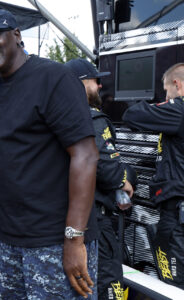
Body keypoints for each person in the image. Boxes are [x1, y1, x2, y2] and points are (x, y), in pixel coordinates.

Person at [0, 9, 99, 299]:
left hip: (55, 240)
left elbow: (86, 156)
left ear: (16, 35)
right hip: (10, 239)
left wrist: (75, 239)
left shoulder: (55, 78)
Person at [66, 58, 135, 299]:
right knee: (109, 284)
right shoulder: (92, 119)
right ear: (81, 84)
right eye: (96, 81)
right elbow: (106, 168)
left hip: (67, 225)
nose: (100, 86)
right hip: (94, 222)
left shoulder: (56, 117)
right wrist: (124, 180)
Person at [122, 62, 184, 289]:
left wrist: (170, 102)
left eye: (167, 92)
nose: (166, 98)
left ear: (177, 85)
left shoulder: (178, 110)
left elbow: (131, 115)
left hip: (177, 218)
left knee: (173, 285)